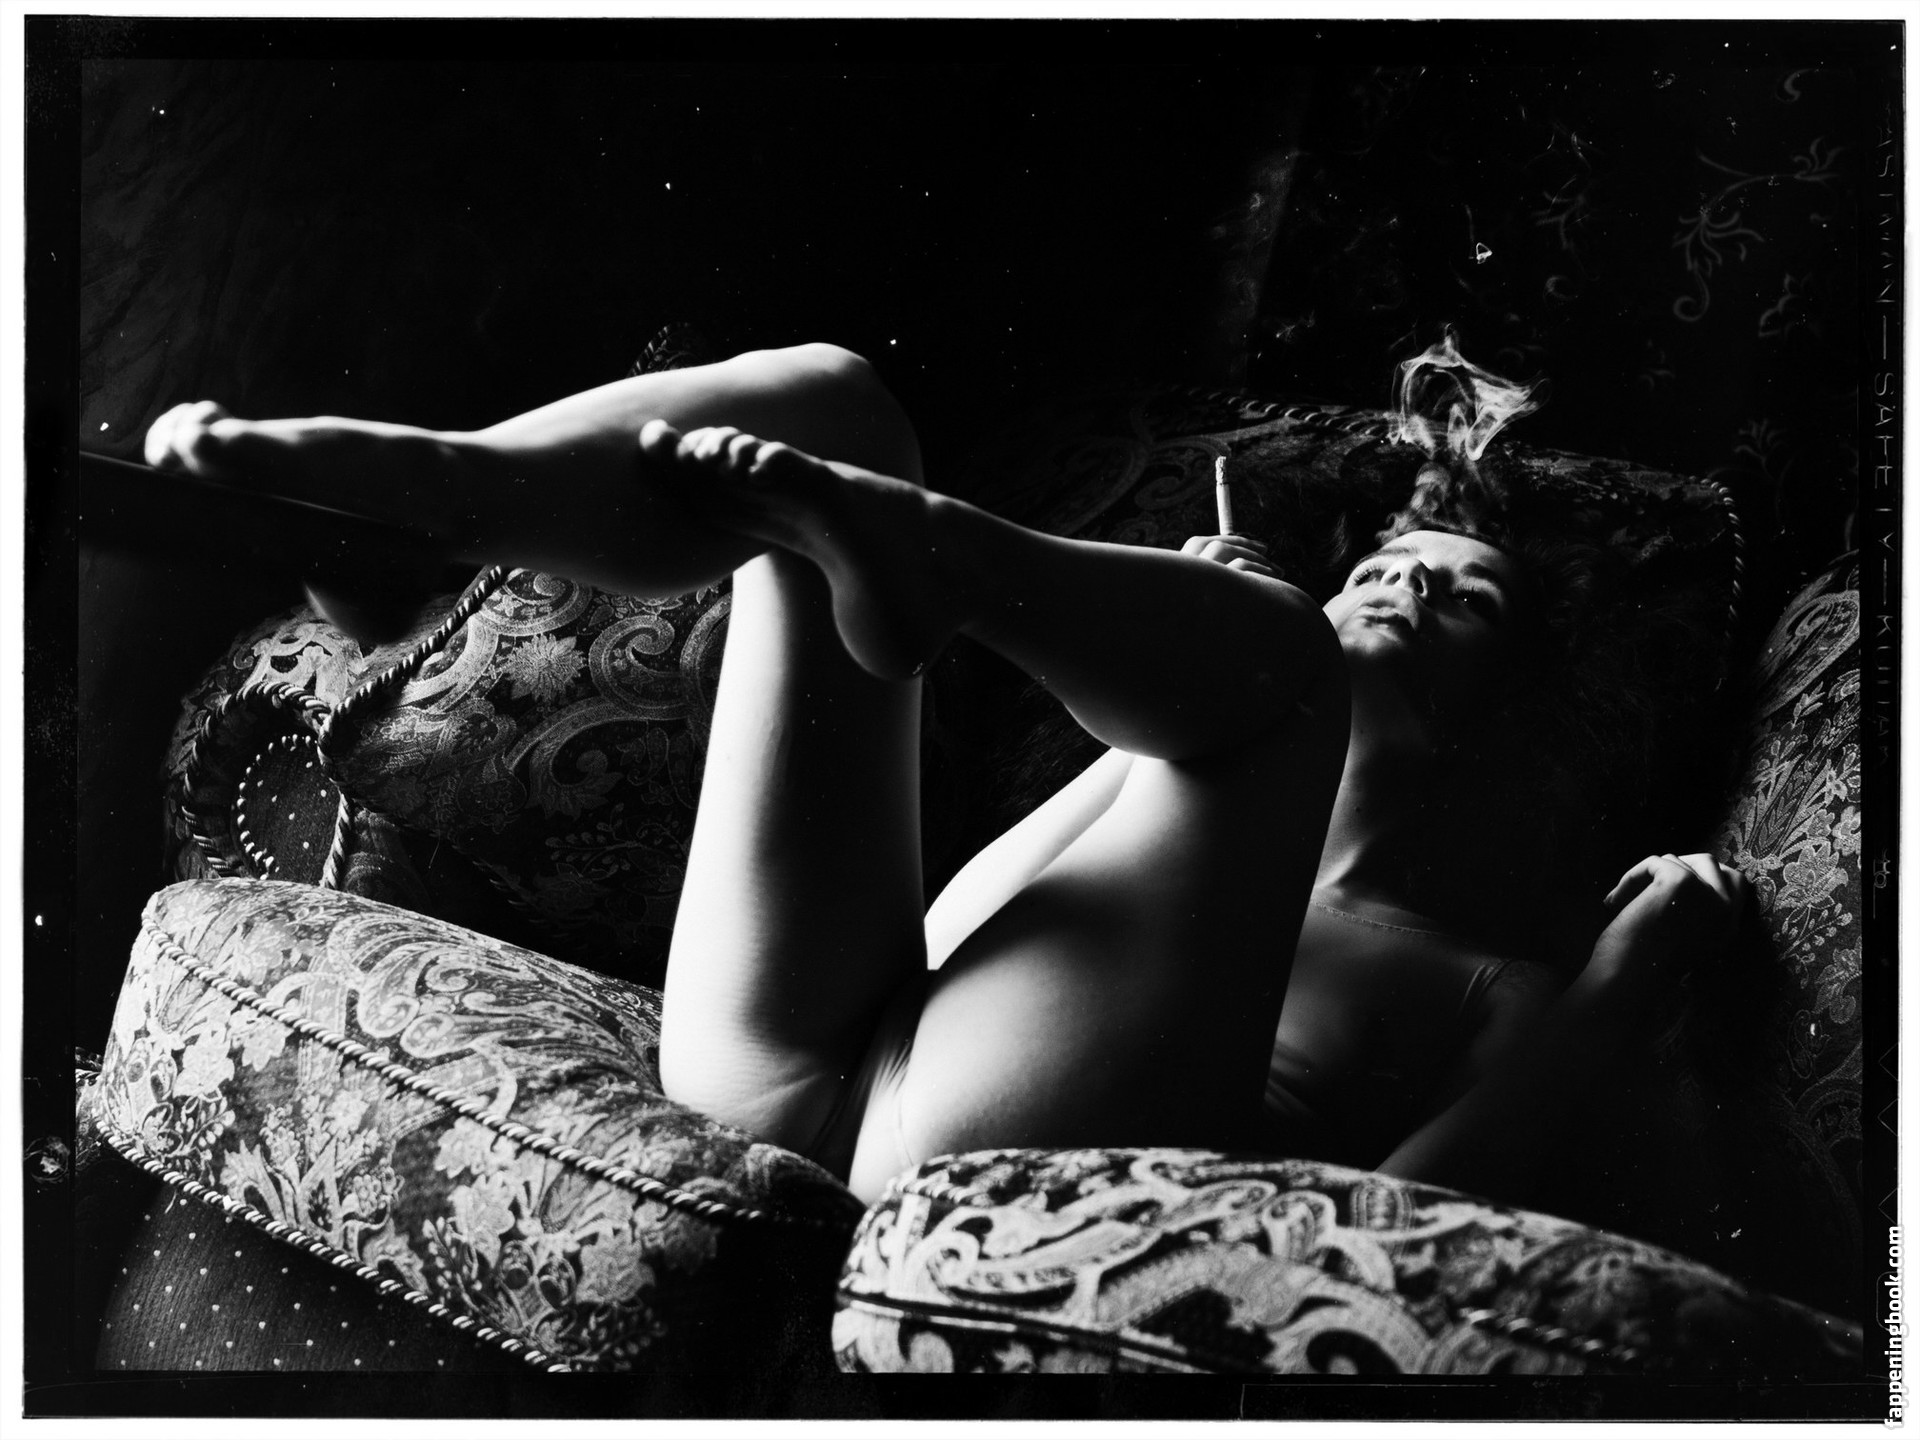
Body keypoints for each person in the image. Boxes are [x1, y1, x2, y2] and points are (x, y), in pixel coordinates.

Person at [143, 341, 1748, 1207]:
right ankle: (435, 507)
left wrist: (1627, 974)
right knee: (830, 399)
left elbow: (1410, 1217)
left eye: (1465, 599)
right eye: (1384, 569)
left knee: (1265, 677)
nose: (1402, 590)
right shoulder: (1178, 777)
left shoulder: (1481, 978)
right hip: (796, 1064)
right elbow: (973, 918)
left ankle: (944, 563)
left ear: (1503, 711)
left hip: (998, 1172)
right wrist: (1180, 641)